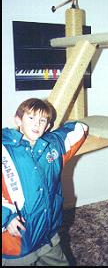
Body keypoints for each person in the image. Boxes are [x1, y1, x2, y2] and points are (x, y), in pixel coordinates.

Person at [2, 98, 88, 266]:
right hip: (18, 242)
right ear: (18, 120)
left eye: (42, 120)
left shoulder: (53, 145)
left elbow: (79, 128)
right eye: (31, 118)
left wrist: (77, 125)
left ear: (48, 126)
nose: (37, 124)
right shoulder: (5, 150)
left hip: (48, 235)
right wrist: (6, 218)